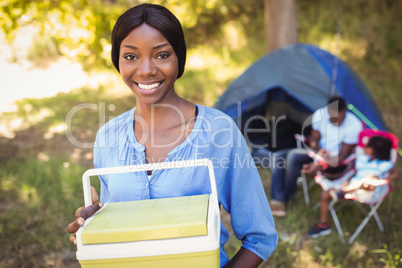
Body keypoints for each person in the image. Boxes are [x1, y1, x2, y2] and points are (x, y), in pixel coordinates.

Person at [66, 3, 278, 267]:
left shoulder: (218, 132)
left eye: (161, 55)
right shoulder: (107, 137)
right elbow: (118, 221)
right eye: (131, 57)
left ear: (180, 58)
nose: (145, 70)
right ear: (117, 61)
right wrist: (94, 223)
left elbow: (260, 238)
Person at [269, 96, 363, 216]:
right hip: (318, 155)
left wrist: (320, 164)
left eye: (336, 118)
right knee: (278, 156)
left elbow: (344, 155)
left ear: (344, 111)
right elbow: (313, 139)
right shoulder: (321, 114)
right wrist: (319, 150)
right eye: (330, 116)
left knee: (292, 157)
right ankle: (277, 200)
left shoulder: (354, 125)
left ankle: (287, 196)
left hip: (336, 162)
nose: (332, 120)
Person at [308, 135, 399, 238]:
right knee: (325, 194)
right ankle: (323, 225)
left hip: (368, 191)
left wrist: (380, 181)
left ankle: (343, 191)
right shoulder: (363, 159)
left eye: (367, 146)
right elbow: (354, 172)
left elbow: (396, 174)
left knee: (370, 179)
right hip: (353, 186)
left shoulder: (383, 165)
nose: (364, 147)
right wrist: (346, 180)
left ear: (374, 150)